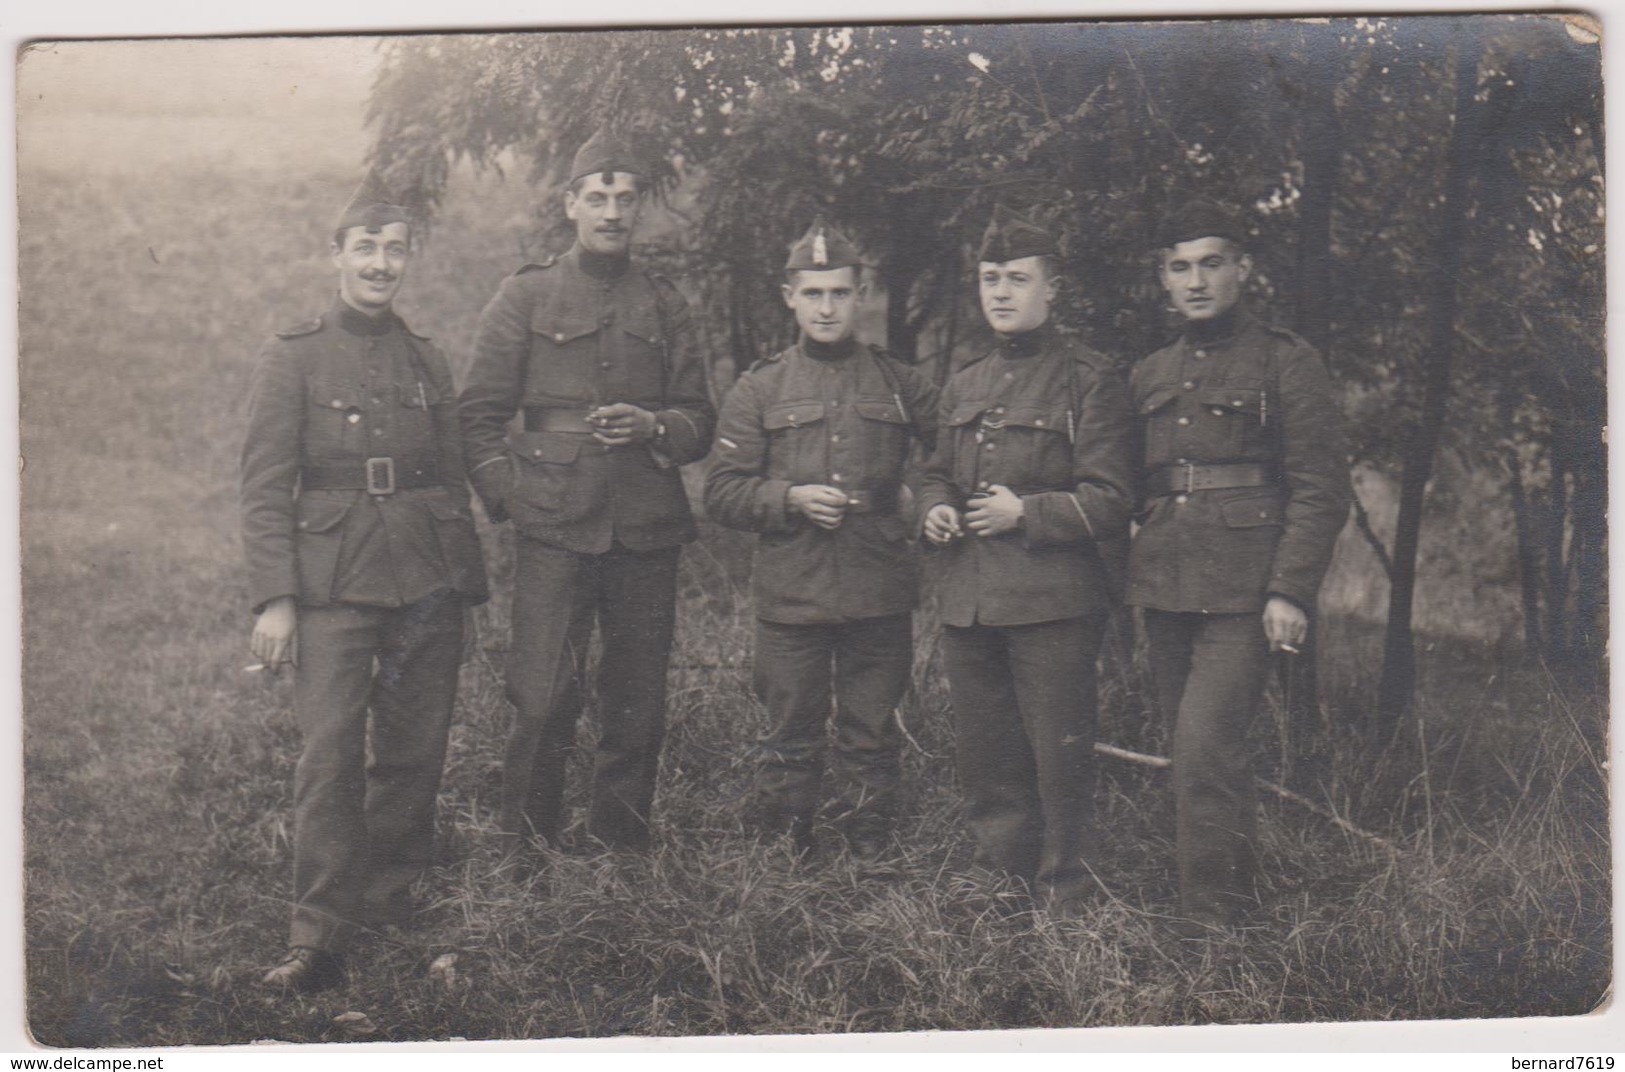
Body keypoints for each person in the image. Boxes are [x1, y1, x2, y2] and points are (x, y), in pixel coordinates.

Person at [241, 175, 489, 990]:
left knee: (414, 754)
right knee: (331, 756)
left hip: (424, 578)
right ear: (336, 256)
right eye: (366, 248)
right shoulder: (294, 355)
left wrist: (460, 584)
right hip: (333, 582)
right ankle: (317, 935)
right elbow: (266, 482)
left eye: (395, 250)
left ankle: (390, 908)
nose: (381, 264)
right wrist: (277, 598)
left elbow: (451, 480)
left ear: (408, 260)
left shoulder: (428, 357)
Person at [459, 125, 715, 854]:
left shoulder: (666, 303)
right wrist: (511, 495)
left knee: (636, 705)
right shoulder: (528, 294)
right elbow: (477, 414)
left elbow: (700, 421)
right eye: (597, 197)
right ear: (570, 203)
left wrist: (653, 425)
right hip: (553, 524)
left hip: (644, 526)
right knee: (541, 698)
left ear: (638, 210)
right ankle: (524, 855)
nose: (612, 212)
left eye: (625, 199)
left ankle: (621, 852)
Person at [1128, 198, 1349, 934]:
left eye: (1210, 264)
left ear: (1242, 270)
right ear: (1163, 278)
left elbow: (1319, 488)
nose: (1194, 281)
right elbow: (1129, 484)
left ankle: (1206, 927)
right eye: (1179, 267)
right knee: (1195, 752)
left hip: (1244, 594)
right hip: (1164, 585)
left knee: (1201, 747)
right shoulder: (1150, 372)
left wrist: (1290, 589)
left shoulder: (1286, 361)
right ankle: (1234, 897)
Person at [918, 205, 1134, 916]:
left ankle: (1065, 896)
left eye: (1016, 278)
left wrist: (1026, 513)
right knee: (986, 756)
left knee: (1057, 757)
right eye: (988, 279)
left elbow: (1110, 499)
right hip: (970, 601)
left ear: (1052, 288)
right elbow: (934, 472)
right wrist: (934, 507)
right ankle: (996, 883)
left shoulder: (1089, 381)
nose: (1000, 293)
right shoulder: (964, 381)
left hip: (1052, 604)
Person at [704, 217, 938, 859]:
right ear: (790, 297)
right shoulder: (760, 388)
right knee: (790, 734)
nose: (828, 307)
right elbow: (721, 491)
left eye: (839, 292)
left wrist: (923, 495)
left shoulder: (902, 384)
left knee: (871, 732)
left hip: (878, 587)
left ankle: (870, 857)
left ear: (860, 292)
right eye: (814, 294)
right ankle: (786, 862)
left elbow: (947, 461)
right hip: (792, 593)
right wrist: (789, 498)